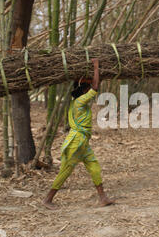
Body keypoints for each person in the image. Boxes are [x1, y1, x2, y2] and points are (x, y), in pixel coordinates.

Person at [43, 58, 114, 210]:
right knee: (66, 170)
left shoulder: (80, 103)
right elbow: (95, 87)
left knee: (94, 167)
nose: (91, 90)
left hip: (83, 143)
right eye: (87, 88)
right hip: (76, 142)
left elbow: (94, 87)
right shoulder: (79, 103)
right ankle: (48, 200)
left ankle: (103, 198)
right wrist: (96, 66)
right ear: (83, 90)